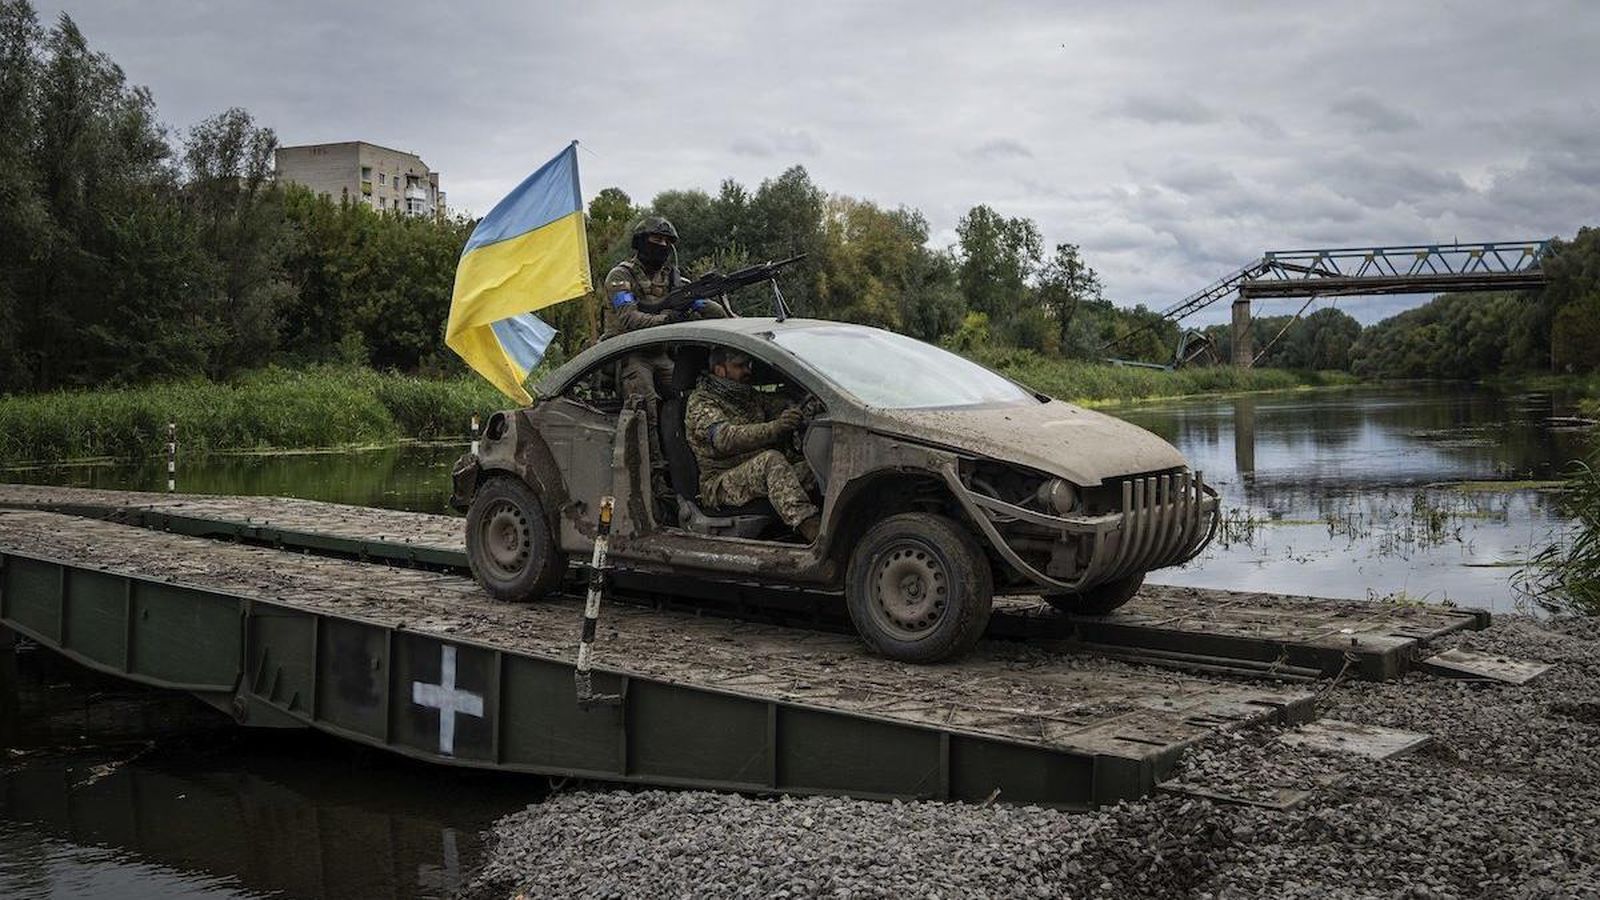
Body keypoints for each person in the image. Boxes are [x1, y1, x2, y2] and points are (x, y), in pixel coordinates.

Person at [601, 216, 724, 468]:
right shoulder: (620, 276)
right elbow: (630, 319)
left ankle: (698, 463)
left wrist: (704, 298)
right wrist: (668, 320)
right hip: (629, 354)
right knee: (646, 409)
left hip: (661, 354)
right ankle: (655, 473)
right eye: (656, 240)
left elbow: (713, 311)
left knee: (692, 400)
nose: (662, 245)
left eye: (667, 242)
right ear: (640, 242)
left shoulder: (673, 279)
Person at [684, 347, 821, 542]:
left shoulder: (746, 395)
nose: (747, 371)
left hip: (754, 472)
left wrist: (799, 408)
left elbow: (778, 405)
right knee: (770, 461)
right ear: (720, 370)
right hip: (721, 481)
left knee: (814, 465)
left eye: (748, 365)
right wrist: (775, 427)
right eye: (739, 366)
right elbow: (725, 439)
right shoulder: (701, 402)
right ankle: (812, 532)